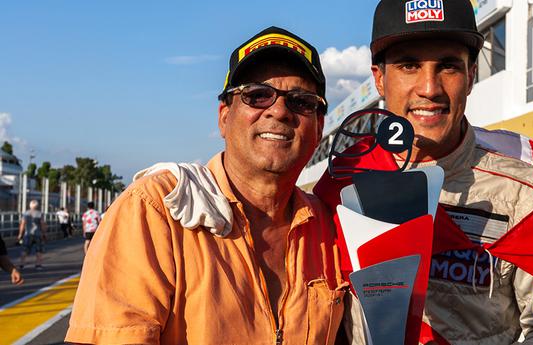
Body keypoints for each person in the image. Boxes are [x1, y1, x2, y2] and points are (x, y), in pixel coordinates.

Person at [313, 0, 533, 343]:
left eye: (448, 66)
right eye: (409, 66)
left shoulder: (525, 191)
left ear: (471, 76)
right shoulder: (341, 180)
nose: (429, 88)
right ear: (379, 79)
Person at [66, 26, 346, 344]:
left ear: (320, 126)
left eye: (301, 101)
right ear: (224, 116)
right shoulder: (158, 209)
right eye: (257, 96)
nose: (279, 111)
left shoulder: (329, 226)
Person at [17, 200, 47, 270]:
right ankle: (38, 265)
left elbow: (22, 224)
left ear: (30, 206)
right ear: (37, 206)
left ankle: (21, 264)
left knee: (25, 249)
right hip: (38, 234)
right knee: (39, 250)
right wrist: (44, 233)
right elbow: (42, 224)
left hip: (28, 234)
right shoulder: (39, 213)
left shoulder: (26, 213)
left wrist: (20, 234)